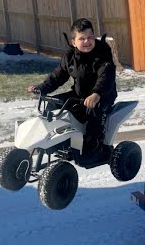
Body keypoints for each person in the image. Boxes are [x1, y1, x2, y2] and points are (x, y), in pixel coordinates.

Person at [28, 18, 117, 160]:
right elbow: (57, 76)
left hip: (102, 95)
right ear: (73, 42)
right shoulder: (70, 56)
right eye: (82, 39)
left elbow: (105, 78)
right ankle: (55, 139)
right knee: (53, 104)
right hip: (79, 94)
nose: (87, 41)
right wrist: (41, 89)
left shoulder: (102, 54)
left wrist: (96, 94)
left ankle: (94, 148)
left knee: (92, 113)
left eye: (90, 37)